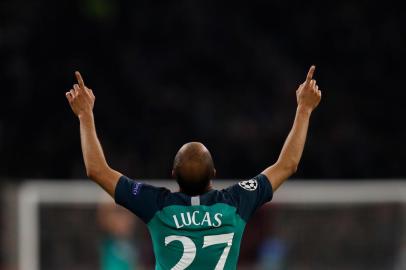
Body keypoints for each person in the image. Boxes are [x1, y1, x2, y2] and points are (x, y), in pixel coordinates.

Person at [65, 65, 321, 270]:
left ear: (173, 175)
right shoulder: (235, 202)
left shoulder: (156, 205)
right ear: (214, 175)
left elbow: (96, 170)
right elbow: (288, 164)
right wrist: (304, 109)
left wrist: (85, 115)